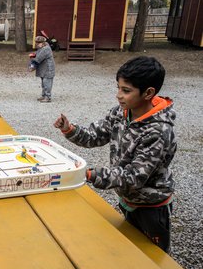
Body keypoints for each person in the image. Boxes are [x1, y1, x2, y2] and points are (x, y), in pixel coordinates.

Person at [54, 56, 176, 252]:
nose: (118, 95)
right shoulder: (121, 112)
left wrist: (91, 174)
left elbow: (134, 176)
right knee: (130, 249)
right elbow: (95, 136)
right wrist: (70, 129)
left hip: (152, 207)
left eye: (126, 91)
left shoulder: (158, 132)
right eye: (118, 88)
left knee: (155, 257)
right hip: (127, 199)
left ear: (148, 93)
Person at [30, 35, 56, 103]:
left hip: (48, 69)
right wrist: (33, 55)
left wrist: (32, 63)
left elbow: (38, 59)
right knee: (43, 83)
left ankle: (48, 97)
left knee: (47, 83)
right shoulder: (41, 48)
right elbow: (37, 54)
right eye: (36, 42)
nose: (37, 44)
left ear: (43, 43)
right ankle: (44, 95)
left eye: (38, 43)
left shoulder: (46, 49)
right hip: (44, 69)